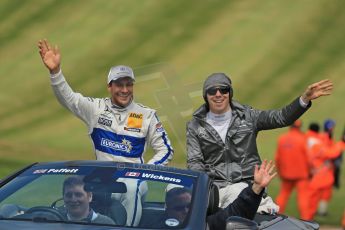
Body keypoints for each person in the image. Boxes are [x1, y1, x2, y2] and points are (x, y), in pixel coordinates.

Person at [38, 39, 174, 226]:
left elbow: (165, 150)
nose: (125, 90)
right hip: (101, 180)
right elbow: (69, 99)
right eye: (119, 85)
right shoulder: (96, 109)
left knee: (131, 187)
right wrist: (55, 73)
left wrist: (145, 171)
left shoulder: (147, 115)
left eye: (129, 84)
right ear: (109, 86)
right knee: (80, 190)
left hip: (134, 180)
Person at [186, 72, 333, 213]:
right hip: (215, 190)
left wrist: (304, 99)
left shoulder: (249, 116)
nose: (218, 94)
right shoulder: (195, 126)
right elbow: (195, 162)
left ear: (230, 93)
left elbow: (281, 117)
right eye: (212, 91)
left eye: (223, 90)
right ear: (206, 95)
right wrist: (203, 191)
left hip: (247, 187)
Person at [142, 160, 276, 229]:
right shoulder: (150, 225)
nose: (185, 211)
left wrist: (256, 188)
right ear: (167, 209)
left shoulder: (205, 225)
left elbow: (236, 211)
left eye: (189, 206)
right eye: (179, 207)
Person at [274, 120, 310, 220]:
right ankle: (306, 220)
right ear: (300, 127)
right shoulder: (303, 139)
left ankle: (275, 217)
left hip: (286, 174)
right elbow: (309, 157)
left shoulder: (282, 139)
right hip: (301, 174)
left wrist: (280, 172)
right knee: (303, 198)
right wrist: (310, 170)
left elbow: (278, 158)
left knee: (283, 195)